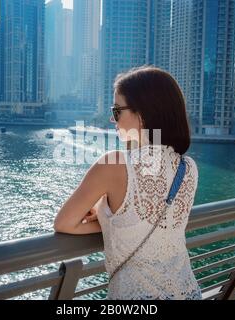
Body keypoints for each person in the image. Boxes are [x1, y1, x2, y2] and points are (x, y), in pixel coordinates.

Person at [54, 66, 202, 300]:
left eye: (117, 110)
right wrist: (107, 214)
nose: (112, 119)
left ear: (142, 114)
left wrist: (103, 214)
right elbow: (149, 222)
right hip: (187, 292)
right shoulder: (188, 168)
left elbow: (64, 223)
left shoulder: (114, 164)